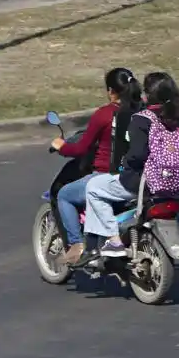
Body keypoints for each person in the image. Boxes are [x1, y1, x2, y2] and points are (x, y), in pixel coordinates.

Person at [78, 72, 179, 262]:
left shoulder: (142, 119)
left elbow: (138, 155)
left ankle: (114, 241)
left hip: (142, 183)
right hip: (177, 185)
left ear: (147, 95)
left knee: (94, 187)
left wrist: (126, 165)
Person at [49, 68, 142, 265]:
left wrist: (62, 146)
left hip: (106, 177)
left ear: (111, 91)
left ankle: (77, 245)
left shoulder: (104, 115)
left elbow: (82, 148)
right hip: (138, 176)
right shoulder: (143, 112)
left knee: (64, 195)